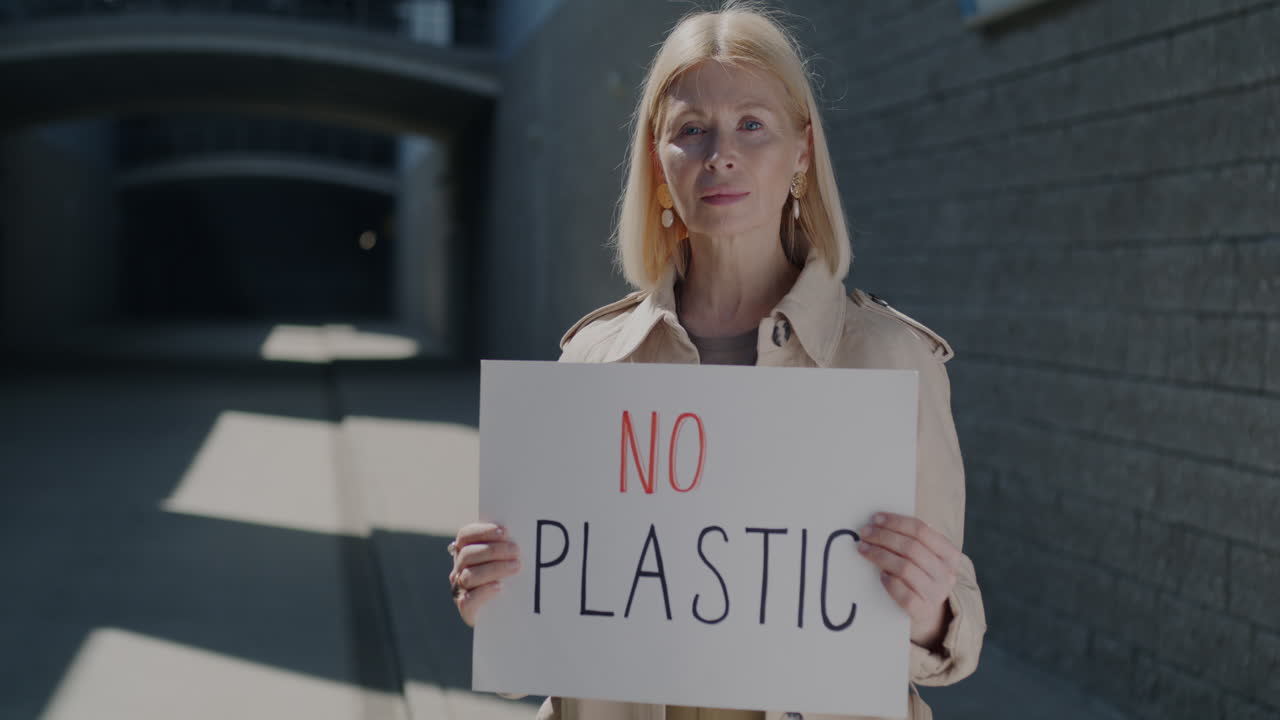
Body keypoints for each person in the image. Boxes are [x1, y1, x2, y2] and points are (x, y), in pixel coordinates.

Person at [448, 2, 986, 718]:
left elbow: (955, 624)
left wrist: (929, 614)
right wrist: (493, 601)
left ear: (802, 150)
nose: (719, 154)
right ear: (658, 159)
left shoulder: (890, 362)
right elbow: (542, 648)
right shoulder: (592, 365)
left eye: (751, 125)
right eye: (691, 130)